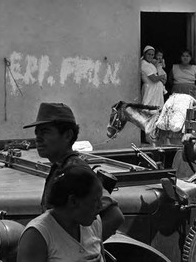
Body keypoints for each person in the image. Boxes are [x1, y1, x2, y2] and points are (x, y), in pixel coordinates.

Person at [23, 102, 124, 241]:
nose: (38, 138)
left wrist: (83, 247)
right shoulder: (60, 167)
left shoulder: (76, 171)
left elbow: (114, 216)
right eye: (37, 133)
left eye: (45, 132)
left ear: (67, 135)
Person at [18, 165, 105, 262]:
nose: (100, 206)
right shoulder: (37, 235)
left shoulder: (94, 222)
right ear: (73, 201)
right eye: (95, 200)